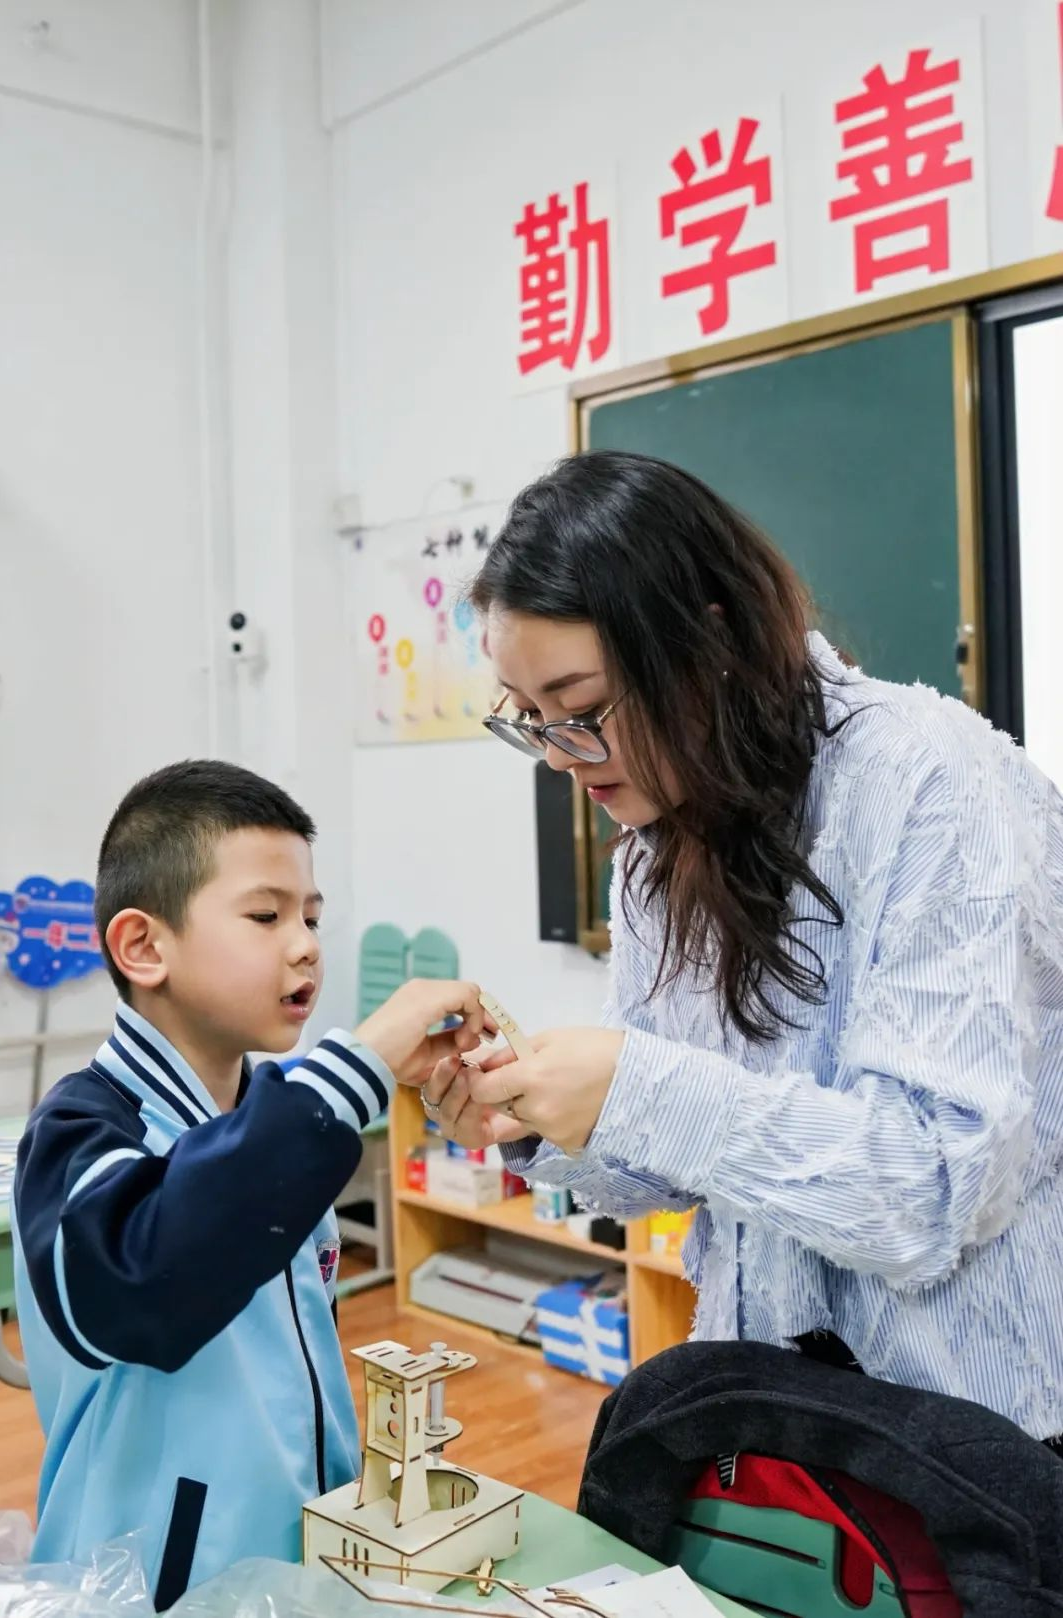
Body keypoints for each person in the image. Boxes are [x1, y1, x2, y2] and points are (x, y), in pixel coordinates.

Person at [421, 449, 1063, 1446]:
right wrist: (537, 1111)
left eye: (582, 712)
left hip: (976, 1429)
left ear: (706, 642)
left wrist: (637, 1087)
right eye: (530, 716)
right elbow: (683, 1165)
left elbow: (931, 1191)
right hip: (774, 1412)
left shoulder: (930, 781)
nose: (558, 757)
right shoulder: (659, 836)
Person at [13, 761, 490, 1604]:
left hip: (297, 1562)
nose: (305, 944)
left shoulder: (276, 1123)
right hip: (151, 1589)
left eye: (311, 916)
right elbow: (143, 1283)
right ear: (143, 947)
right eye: (266, 916)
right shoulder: (80, 1130)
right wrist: (360, 1061)